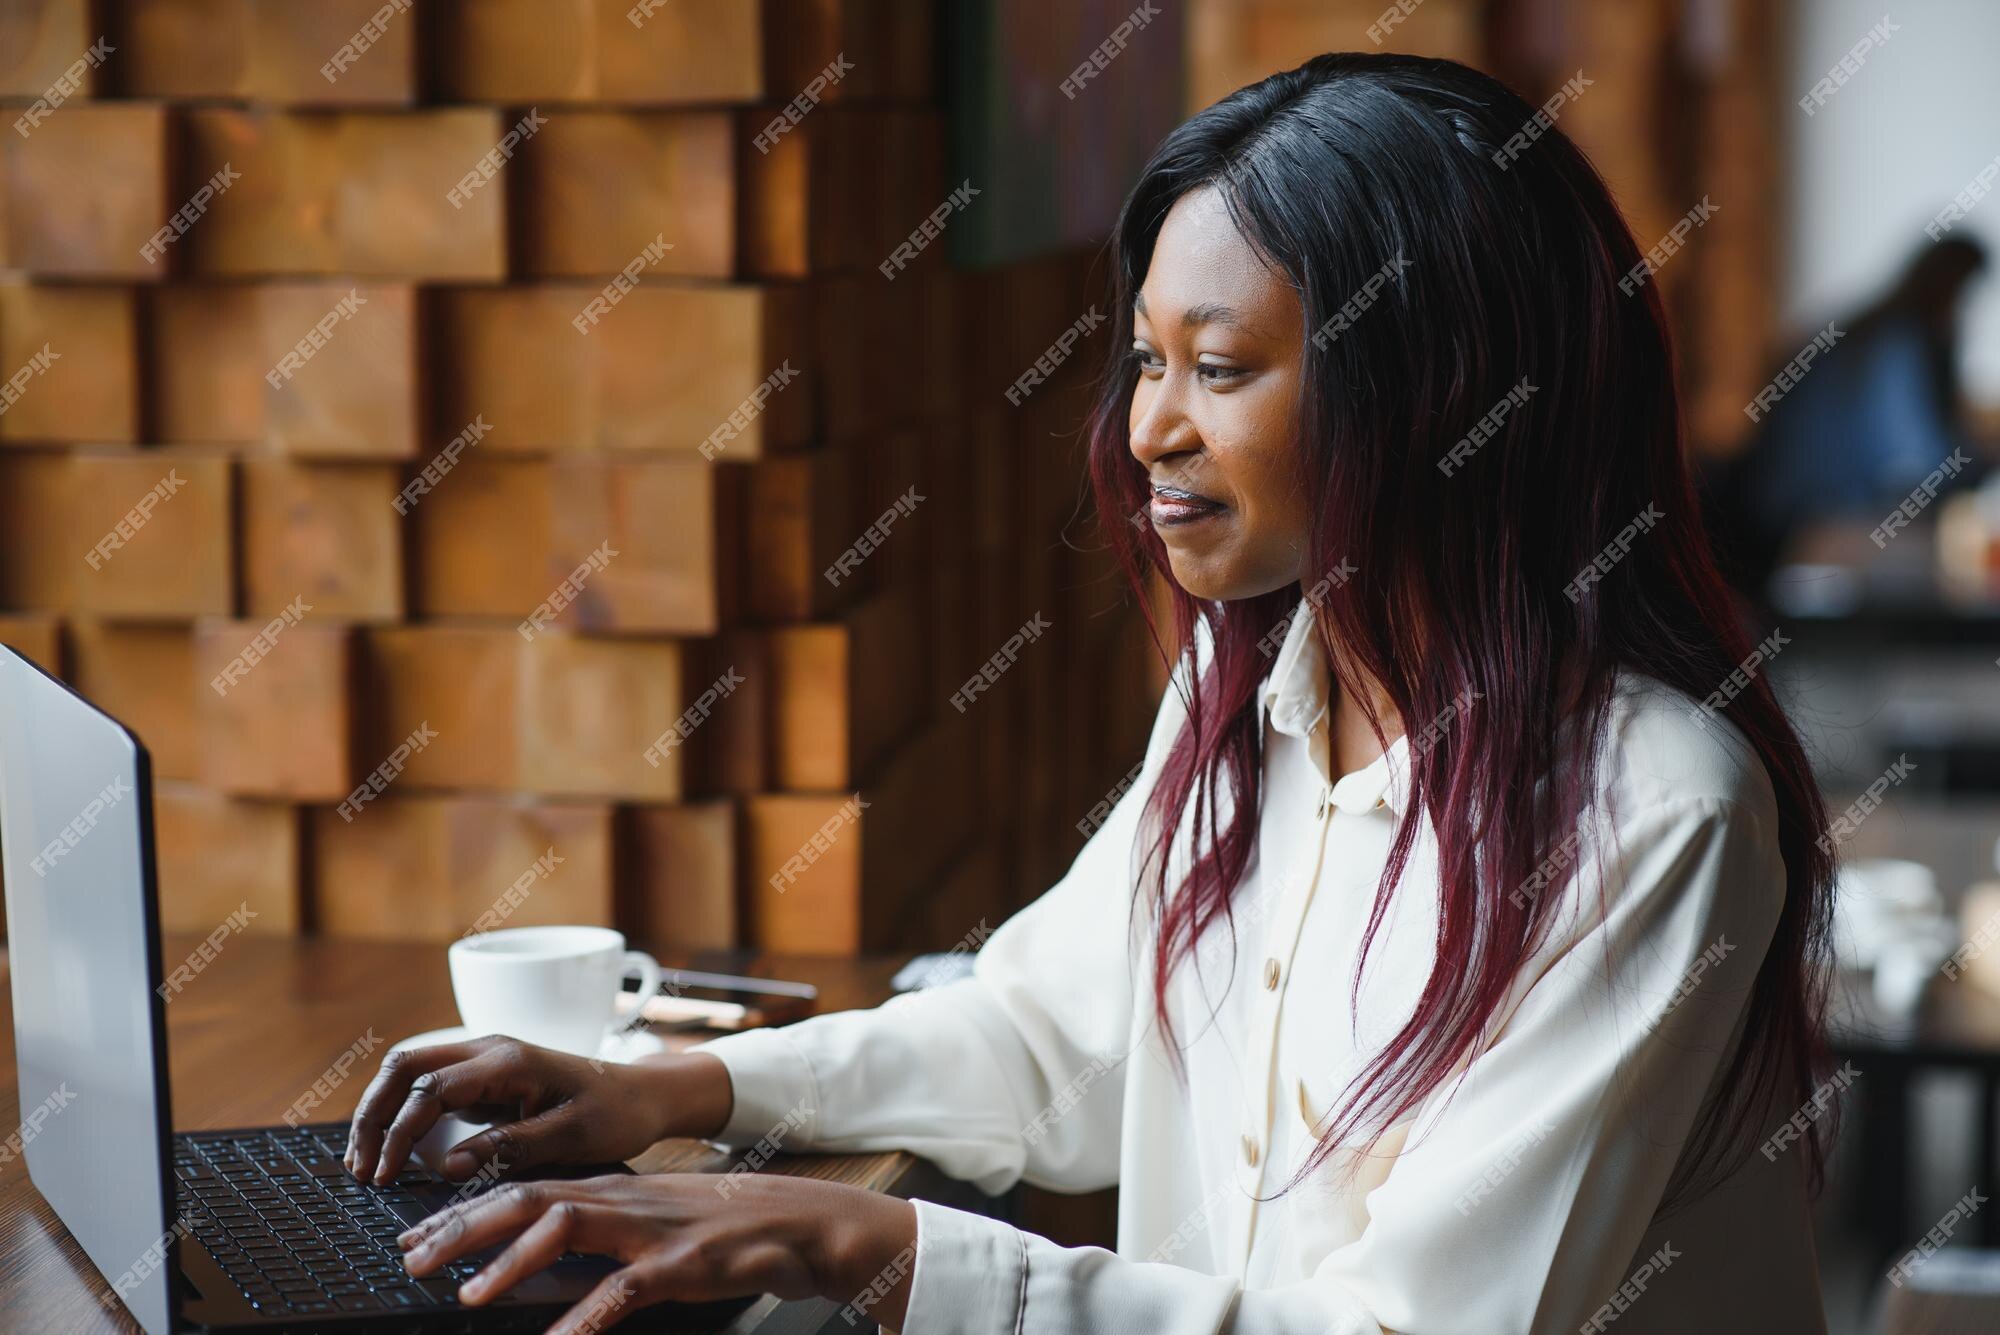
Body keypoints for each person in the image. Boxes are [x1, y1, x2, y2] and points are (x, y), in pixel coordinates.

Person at [345, 53, 1838, 1333]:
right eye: (1143, 363)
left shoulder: (1654, 812)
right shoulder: (1254, 678)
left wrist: (872, 1242)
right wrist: (674, 1093)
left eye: (1223, 368)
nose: (1148, 433)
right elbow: (1050, 1038)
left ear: (1435, 391)